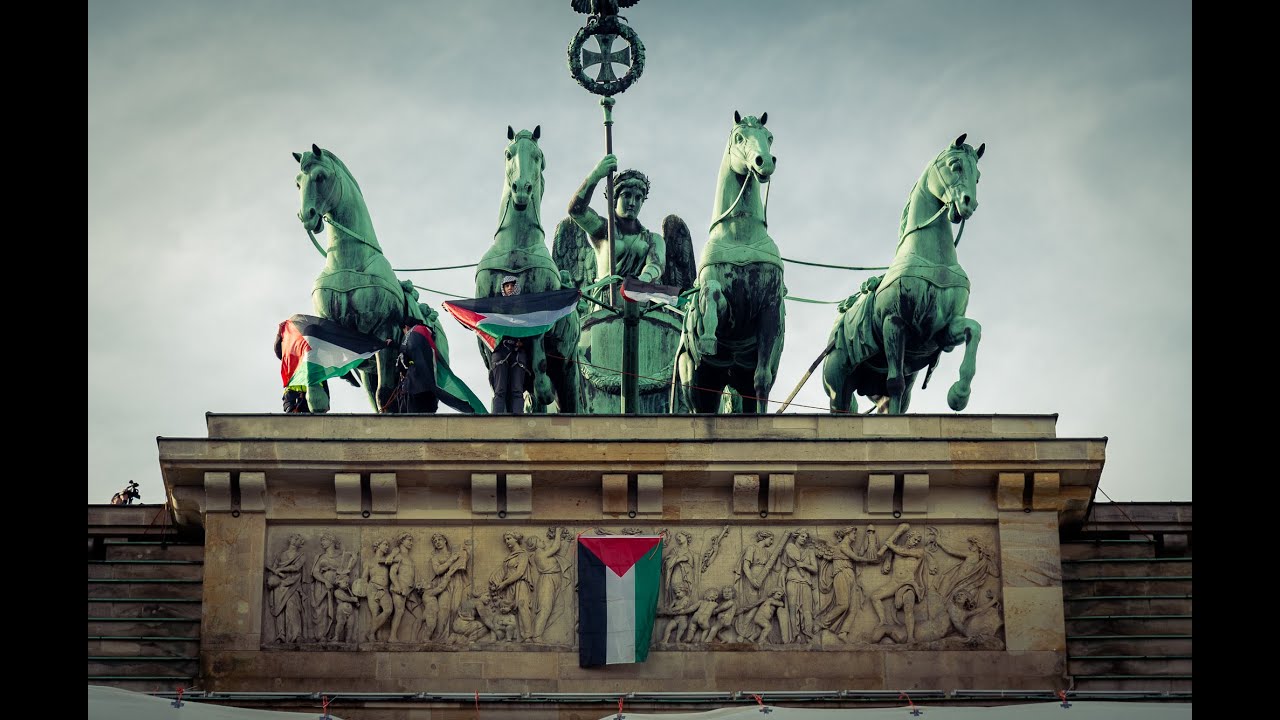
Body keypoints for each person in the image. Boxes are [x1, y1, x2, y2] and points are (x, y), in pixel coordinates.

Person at [568, 155, 666, 304]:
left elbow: (656, 264)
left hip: (640, 306)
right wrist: (596, 174)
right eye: (626, 195)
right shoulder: (603, 230)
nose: (632, 202)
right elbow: (576, 211)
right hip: (606, 304)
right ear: (614, 198)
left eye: (638, 198)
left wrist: (643, 279)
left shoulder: (653, 239)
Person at [489, 276, 532, 414]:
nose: (509, 288)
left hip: (519, 352)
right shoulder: (497, 307)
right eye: (506, 286)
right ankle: (496, 419)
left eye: (512, 285)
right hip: (501, 351)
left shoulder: (525, 308)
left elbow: (532, 328)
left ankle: (518, 420)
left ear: (516, 287)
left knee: (517, 390)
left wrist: (523, 342)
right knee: (499, 390)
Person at [396, 317, 440, 413]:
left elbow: (405, 358)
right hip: (430, 389)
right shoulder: (426, 335)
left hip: (414, 387)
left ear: (406, 327)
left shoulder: (412, 333)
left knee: (409, 418)